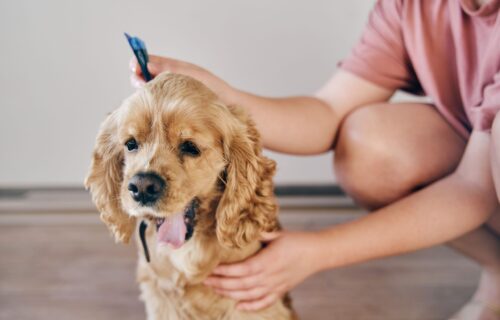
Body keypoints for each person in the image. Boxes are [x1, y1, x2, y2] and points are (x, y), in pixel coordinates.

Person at [130, 0, 500, 318]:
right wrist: (224, 95)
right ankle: (498, 273)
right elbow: (329, 110)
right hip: (480, 157)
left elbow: (474, 187)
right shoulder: (412, 7)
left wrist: (318, 252)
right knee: (369, 145)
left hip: (485, 172)